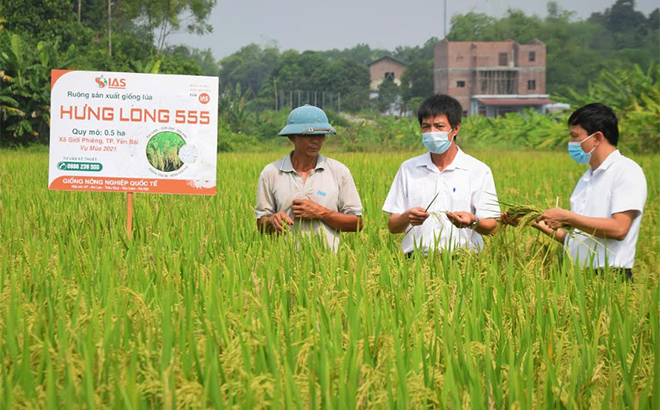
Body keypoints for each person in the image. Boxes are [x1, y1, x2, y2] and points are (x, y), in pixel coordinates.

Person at [502, 103, 647, 279]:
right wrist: (531, 221)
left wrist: (567, 217)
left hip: (609, 276)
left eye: (575, 136)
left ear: (597, 138)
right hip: (576, 275)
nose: (571, 143)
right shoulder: (587, 178)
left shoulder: (626, 171)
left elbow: (619, 229)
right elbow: (574, 239)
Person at [382, 94, 500, 255]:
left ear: (455, 128)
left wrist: (472, 222)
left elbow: (492, 227)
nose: (431, 132)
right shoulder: (408, 168)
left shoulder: (478, 171)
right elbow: (393, 226)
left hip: (463, 263)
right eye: (426, 127)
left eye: (439, 126)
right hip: (415, 262)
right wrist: (407, 217)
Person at [255, 104, 363, 251]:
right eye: (309, 135)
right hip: (283, 265)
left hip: (328, 265)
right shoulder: (271, 172)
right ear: (292, 137)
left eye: (321, 135)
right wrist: (271, 220)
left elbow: (357, 223)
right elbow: (261, 224)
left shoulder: (339, 171)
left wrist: (321, 212)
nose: (316, 141)